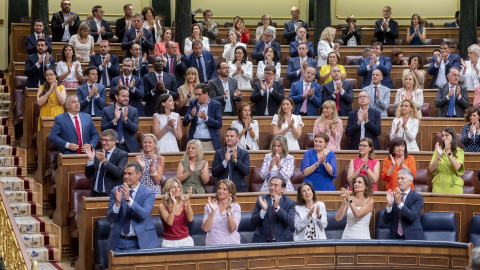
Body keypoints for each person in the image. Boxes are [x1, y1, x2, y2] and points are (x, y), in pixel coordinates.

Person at [107, 162, 159, 251]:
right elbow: (110, 218)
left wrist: (128, 200)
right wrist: (117, 204)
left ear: (139, 175)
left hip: (141, 242)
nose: (126, 177)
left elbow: (144, 214)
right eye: (125, 173)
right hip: (118, 242)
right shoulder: (116, 191)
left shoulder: (148, 193)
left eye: (130, 174)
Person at [251, 175, 296, 243]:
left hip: (283, 242)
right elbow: (252, 222)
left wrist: (277, 208)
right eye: (271, 185)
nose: (272, 188)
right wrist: (263, 211)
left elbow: (292, 223)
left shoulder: (290, 202)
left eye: (276, 185)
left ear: (283, 189)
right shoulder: (261, 200)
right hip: (261, 241)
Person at [383, 169, 424, 240]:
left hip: (412, 237)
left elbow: (412, 216)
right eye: (398, 178)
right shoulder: (394, 196)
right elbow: (386, 220)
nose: (399, 181)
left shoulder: (417, 197)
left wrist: (399, 203)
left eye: (402, 178)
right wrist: (389, 205)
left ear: (410, 182)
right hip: (394, 237)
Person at [85, 129, 128, 197]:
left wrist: (104, 161)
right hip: (95, 195)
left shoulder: (122, 155)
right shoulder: (97, 153)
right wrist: (91, 160)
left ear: (114, 141)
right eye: (102, 140)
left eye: (106, 140)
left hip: (111, 195)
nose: (103, 143)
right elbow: (88, 175)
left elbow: (119, 172)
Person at [182, 83, 223, 151]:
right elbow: (184, 123)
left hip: (209, 142)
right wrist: (191, 115)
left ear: (206, 94)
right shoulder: (193, 103)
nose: (197, 97)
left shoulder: (216, 104)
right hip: (195, 142)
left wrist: (206, 118)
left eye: (199, 95)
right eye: (196, 94)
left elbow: (219, 124)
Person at [101, 85, 141, 153]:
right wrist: (115, 120)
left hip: (129, 147)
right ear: (116, 97)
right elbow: (103, 129)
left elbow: (135, 130)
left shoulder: (133, 110)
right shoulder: (107, 110)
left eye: (127, 96)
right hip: (112, 146)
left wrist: (126, 119)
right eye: (123, 96)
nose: (126, 98)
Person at [202, 179, 241, 246]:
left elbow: (232, 228)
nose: (221, 191)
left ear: (230, 192)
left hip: (232, 245)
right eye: (219, 188)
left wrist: (228, 209)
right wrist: (213, 211)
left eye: (224, 189)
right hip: (212, 246)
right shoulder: (209, 206)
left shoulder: (236, 207)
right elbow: (206, 228)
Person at [212, 128, 250, 192]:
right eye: (227, 136)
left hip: (239, 189)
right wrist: (225, 161)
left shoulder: (244, 153)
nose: (229, 138)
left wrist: (236, 160)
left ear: (237, 138)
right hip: (221, 189)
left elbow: (246, 172)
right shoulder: (218, 153)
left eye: (231, 136)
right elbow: (214, 173)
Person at [336, 175, 374, 239]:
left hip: (363, 238)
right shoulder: (349, 199)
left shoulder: (370, 201)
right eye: (355, 182)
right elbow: (338, 218)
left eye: (359, 182)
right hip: (347, 237)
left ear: (366, 186)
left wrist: (349, 200)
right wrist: (343, 204)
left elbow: (357, 214)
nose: (356, 184)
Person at [158, 178, 194, 247]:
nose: (177, 189)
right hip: (169, 242)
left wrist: (188, 201)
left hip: (186, 241)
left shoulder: (185, 204)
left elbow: (190, 219)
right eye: (173, 187)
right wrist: (174, 204)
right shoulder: (162, 206)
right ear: (168, 190)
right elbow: (170, 222)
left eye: (178, 187)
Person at [429, 126, 465, 194]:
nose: (444, 138)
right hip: (439, 184)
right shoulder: (438, 150)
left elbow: (456, 167)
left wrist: (448, 153)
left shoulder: (459, 151)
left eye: (447, 135)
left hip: (454, 185)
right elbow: (431, 169)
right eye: (442, 136)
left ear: (453, 136)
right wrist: (439, 155)